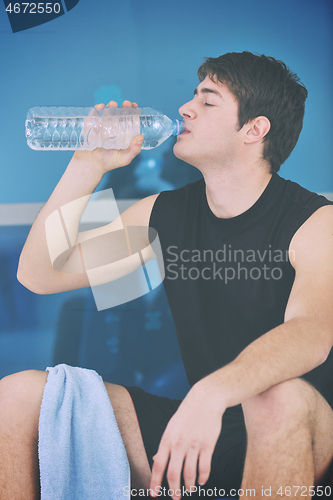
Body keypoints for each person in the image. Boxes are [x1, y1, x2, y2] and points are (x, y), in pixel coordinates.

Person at [1, 51, 333, 499]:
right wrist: (88, 166)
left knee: (277, 398)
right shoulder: (165, 215)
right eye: (193, 95)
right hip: (204, 424)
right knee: (19, 396)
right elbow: (40, 275)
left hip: (302, 428)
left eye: (208, 100)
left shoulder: (315, 221)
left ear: (255, 129)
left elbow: (312, 332)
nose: (185, 108)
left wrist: (212, 393)